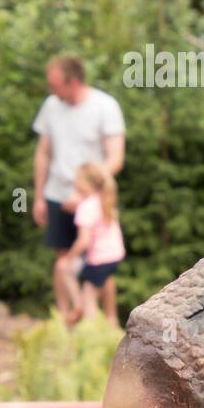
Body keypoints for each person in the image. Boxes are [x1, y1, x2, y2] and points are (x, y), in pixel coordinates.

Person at [31, 56, 125, 322]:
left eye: (55, 85)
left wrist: (86, 193)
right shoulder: (50, 106)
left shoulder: (105, 106)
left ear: (72, 82)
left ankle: (109, 323)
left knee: (100, 261)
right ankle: (66, 320)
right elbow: (43, 153)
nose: (51, 91)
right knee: (63, 258)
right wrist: (39, 196)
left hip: (94, 200)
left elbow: (115, 158)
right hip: (57, 194)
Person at [62, 163, 125, 326]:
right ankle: (81, 308)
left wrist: (68, 257)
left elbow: (84, 241)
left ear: (86, 183)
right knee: (86, 287)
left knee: (88, 298)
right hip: (114, 255)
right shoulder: (104, 200)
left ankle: (92, 331)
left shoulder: (86, 207)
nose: (74, 182)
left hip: (99, 259)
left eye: (77, 178)